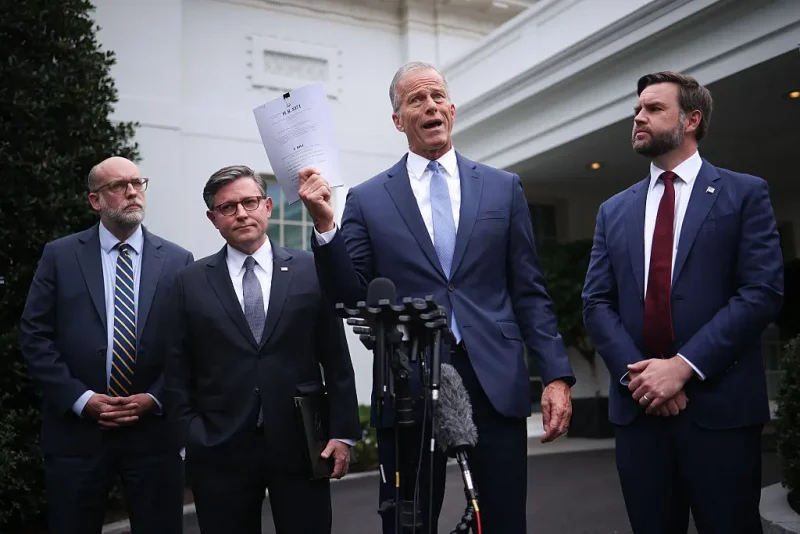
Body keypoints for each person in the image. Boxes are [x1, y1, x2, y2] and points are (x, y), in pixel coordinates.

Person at [298, 61, 575, 534]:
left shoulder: (503, 188)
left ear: (451, 108)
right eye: (415, 100)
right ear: (398, 120)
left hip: (494, 377)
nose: (429, 106)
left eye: (436, 96)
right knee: (411, 522)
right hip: (409, 378)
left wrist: (555, 374)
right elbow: (352, 296)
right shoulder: (367, 200)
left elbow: (529, 291)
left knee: (504, 520)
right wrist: (326, 226)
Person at [582, 71, 784, 533]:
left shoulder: (743, 193)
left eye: (653, 109)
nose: (639, 117)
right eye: (637, 110)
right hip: (639, 416)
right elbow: (595, 302)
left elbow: (761, 292)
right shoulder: (613, 210)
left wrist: (682, 367)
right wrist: (644, 378)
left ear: (692, 119)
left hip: (720, 412)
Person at [161, 165, 361, 534]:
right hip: (220, 448)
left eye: (249, 202)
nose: (241, 213)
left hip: (302, 444)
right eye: (227, 207)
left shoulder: (309, 269)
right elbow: (176, 368)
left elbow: (335, 357)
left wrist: (342, 432)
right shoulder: (188, 282)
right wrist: (190, 438)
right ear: (213, 219)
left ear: (267, 206)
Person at [18, 156, 194, 534]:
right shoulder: (60, 255)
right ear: (95, 200)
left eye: (138, 183)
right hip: (77, 433)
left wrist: (156, 397)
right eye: (119, 186)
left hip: (154, 432)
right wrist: (82, 400)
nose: (133, 193)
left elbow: (189, 344)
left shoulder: (179, 260)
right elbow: (34, 335)